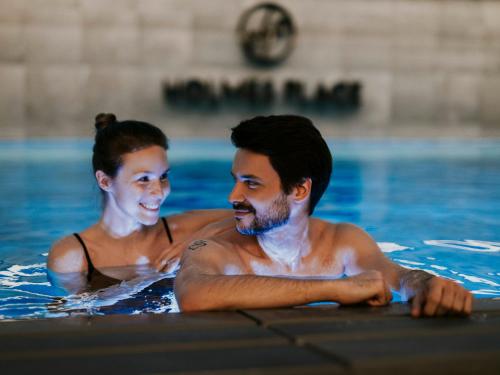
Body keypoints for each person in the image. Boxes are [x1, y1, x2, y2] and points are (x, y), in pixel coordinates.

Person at [174, 115, 473, 317]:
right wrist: (334, 289)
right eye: (236, 180)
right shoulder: (216, 247)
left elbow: (395, 276)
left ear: (300, 190)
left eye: (251, 183)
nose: (233, 196)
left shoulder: (342, 241)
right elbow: (193, 295)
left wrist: (428, 285)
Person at [47, 113, 229, 293]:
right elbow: (68, 316)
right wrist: (147, 280)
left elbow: (246, 219)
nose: (159, 191)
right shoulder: (74, 256)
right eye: (143, 179)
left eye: (163, 176)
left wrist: (192, 244)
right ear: (105, 181)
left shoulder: (182, 232)